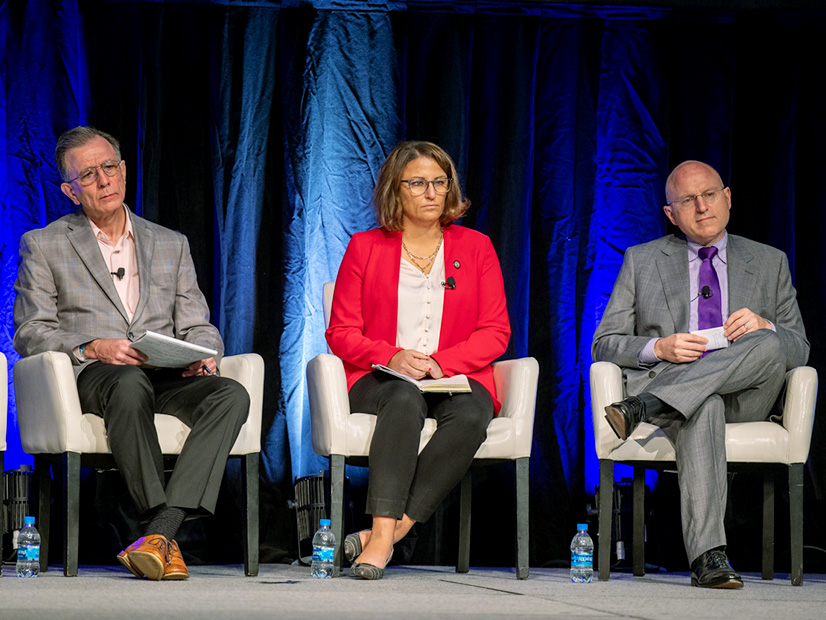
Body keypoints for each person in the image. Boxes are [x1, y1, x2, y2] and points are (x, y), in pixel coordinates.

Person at [13, 126, 250, 581]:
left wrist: (205, 353)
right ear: (70, 190)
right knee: (126, 382)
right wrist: (90, 346)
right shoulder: (44, 244)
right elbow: (31, 331)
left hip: (165, 373)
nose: (103, 180)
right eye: (88, 174)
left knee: (231, 395)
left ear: (123, 171)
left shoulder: (169, 242)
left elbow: (198, 322)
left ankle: (160, 531)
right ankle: (161, 524)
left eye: (109, 167)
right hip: (98, 377)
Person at [592, 160, 809, 588]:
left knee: (768, 342)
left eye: (709, 195)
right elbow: (605, 343)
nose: (702, 207)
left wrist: (766, 327)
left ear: (727, 198)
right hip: (687, 390)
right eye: (688, 200)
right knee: (702, 402)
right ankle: (710, 556)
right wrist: (659, 347)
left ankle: (646, 404)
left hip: (747, 394)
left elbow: (799, 348)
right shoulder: (642, 260)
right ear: (671, 214)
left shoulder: (770, 261)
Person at [326, 141, 510, 580]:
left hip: (455, 374)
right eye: (418, 183)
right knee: (404, 400)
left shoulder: (478, 247)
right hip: (381, 378)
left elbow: (496, 331)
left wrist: (441, 362)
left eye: (439, 182)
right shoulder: (365, 247)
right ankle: (387, 531)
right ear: (396, 190)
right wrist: (393, 355)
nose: (431, 192)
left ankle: (383, 536)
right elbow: (341, 332)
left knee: (473, 413)